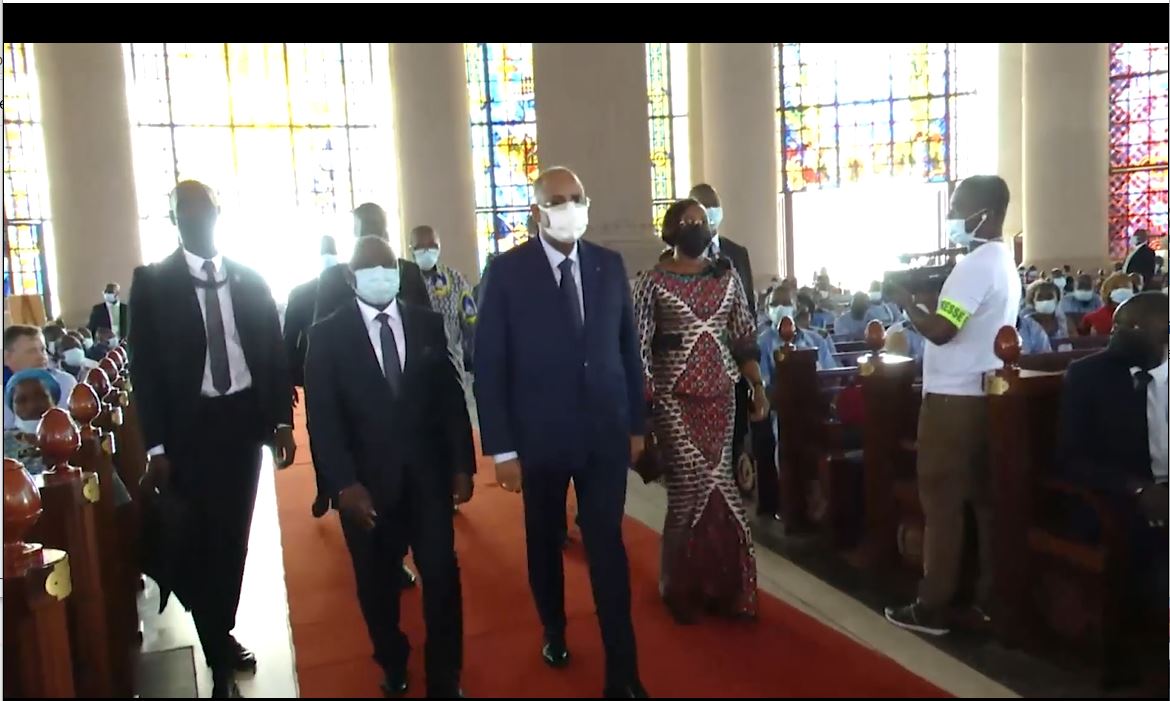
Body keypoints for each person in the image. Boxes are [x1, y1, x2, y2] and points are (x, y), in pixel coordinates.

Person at [474, 166, 647, 698]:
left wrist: (636, 425)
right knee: (545, 541)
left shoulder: (608, 266)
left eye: (577, 197)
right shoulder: (507, 273)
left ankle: (623, 673)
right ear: (537, 212)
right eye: (558, 200)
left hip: (604, 435)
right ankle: (553, 626)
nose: (570, 207)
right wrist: (503, 450)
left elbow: (628, 351)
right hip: (540, 438)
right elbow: (490, 365)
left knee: (607, 545)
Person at [130, 180, 296, 699]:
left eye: (202, 211)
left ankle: (219, 630)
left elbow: (273, 354)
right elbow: (144, 371)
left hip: (242, 424)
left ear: (218, 214)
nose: (194, 220)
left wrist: (282, 422)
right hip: (189, 432)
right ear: (173, 220)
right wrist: (156, 448)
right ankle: (216, 649)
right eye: (183, 213)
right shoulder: (152, 283)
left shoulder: (249, 278)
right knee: (198, 541)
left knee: (234, 539)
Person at [306, 235, 474, 699]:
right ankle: (393, 658)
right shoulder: (327, 336)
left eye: (388, 268)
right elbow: (323, 419)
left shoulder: (426, 324)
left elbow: (450, 399)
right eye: (370, 269)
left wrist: (462, 465)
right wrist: (344, 484)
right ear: (350, 277)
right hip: (367, 488)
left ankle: (445, 676)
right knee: (376, 585)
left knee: (441, 575)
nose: (381, 276)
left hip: (427, 479)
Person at [884, 175, 1021, 636]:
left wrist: (906, 303)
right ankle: (983, 599)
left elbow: (944, 331)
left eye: (958, 209)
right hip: (984, 395)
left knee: (941, 502)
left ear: (985, 214)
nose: (951, 217)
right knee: (979, 502)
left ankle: (933, 606)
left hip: (952, 400)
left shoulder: (974, 266)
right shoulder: (1002, 260)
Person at [634, 199, 766, 622]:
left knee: (721, 485)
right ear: (671, 229)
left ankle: (726, 585)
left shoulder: (726, 276)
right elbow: (638, 347)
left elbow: (743, 335)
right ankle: (678, 586)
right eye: (687, 221)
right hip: (674, 397)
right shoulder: (651, 282)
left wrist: (757, 386)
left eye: (701, 221)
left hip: (721, 394)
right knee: (688, 490)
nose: (695, 226)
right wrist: (644, 410)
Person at [1058, 291, 1168, 685]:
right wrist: (1137, 490)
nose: (1117, 334)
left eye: (1132, 327)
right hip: (1120, 498)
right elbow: (1070, 458)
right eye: (1117, 325)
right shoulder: (1088, 375)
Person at [310, 204, 432, 544]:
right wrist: (339, 480)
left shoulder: (407, 272)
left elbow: (427, 332)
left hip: (408, 406)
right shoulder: (336, 278)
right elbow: (321, 360)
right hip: (359, 413)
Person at [410, 225, 478, 375]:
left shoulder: (455, 279)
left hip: (452, 366)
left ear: (439, 247)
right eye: (420, 247)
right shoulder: (401, 282)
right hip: (413, 370)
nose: (427, 251)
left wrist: (474, 361)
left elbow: (471, 322)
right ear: (411, 249)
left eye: (432, 246)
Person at [283, 235, 338, 397]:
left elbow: (289, 340)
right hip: (320, 370)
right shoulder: (351, 290)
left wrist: (290, 378)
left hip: (317, 370)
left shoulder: (300, 293)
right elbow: (289, 340)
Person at [3, 325, 77, 429]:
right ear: (7, 357)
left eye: (43, 350)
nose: (41, 357)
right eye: (31, 351)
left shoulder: (65, 383)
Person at [4, 368, 61, 475]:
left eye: (41, 396)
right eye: (21, 400)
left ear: (54, 401)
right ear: (12, 407)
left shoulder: (74, 435)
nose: (32, 406)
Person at [1080, 272, 1134, 336]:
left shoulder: (1139, 316)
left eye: (1128, 288)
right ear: (1109, 291)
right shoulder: (1092, 319)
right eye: (1118, 288)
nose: (1124, 291)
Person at [1021, 280, 1069, 349]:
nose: (1044, 300)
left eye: (1049, 297)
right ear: (1033, 300)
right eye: (1040, 297)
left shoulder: (1063, 321)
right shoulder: (1025, 325)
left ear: (1057, 299)